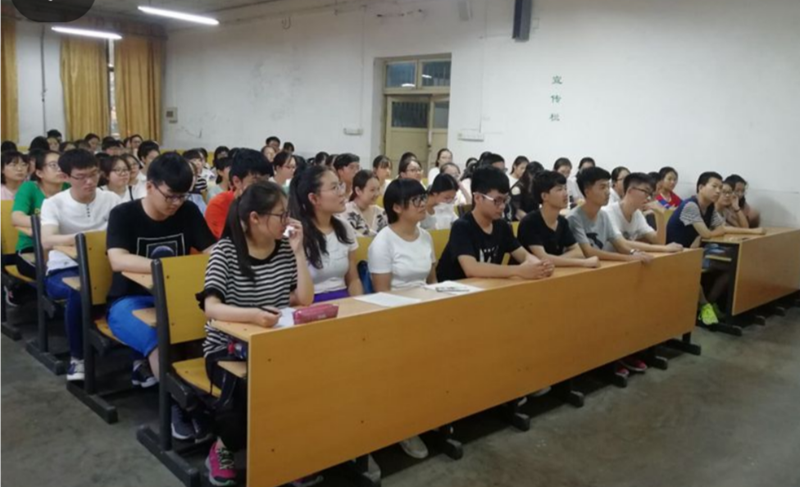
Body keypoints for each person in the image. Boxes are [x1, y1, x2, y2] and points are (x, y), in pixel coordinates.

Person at [200, 180, 313, 486]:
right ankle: (222, 447)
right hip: (226, 347)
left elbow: (304, 299)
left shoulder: (284, 250)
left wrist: (299, 253)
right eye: (281, 215)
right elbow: (211, 307)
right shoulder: (226, 251)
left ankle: (287, 447)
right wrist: (253, 315)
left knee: (309, 374)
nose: (287, 221)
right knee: (252, 382)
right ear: (254, 218)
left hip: (273, 343)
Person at [106, 153, 216, 417]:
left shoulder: (188, 211)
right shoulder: (124, 214)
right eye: (170, 196)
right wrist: (165, 268)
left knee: (211, 331)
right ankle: (179, 408)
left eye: (182, 196)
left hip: (176, 298)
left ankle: (211, 402)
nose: (176, 203)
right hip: (128, 301)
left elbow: (211, 251)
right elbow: (117, 260)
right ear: (150, 186)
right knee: (160, 340)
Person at [367, 177, 437, 460]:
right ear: (397, 207)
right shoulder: (383, 242)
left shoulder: (426, 236)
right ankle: (403, 428)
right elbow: (382, 293)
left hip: (426, 311)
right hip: (396, 316)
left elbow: (433, 281)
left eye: (423, 198)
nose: (423, 204)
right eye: (416, 200)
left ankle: (430, 415)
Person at [40, 150, 121, 381]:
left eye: (94, 174)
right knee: (81, 289)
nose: (90, 181)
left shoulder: (111, 199)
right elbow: (47, 240)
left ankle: (138, 360)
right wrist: (85, 239)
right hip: (63, 269)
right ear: (66, 177)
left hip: (104, 266)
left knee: (130, 287)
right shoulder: (54, 204)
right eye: (81, 177)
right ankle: (78, 358)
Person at [666, 172, 764, 326]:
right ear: (701, 187)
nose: (718, 191)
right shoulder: (690, 206)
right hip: (675, 255)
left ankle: (708, 304)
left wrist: (751, 232)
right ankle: (705, 306)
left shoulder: (710, 207)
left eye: (720, 187)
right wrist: (707, 234)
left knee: (733, 267)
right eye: (714, 187)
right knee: (726, 265)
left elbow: (721, 229)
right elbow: (707, 233)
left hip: (693, 252)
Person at [436, 166, 554, 282]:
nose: (502, 206)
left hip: (486, 287)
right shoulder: (462, 227)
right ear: (478, 198)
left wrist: (540, 266)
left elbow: (524, 256)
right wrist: (518, 270)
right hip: (454, 289)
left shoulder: (501, 226)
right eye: (497, 200)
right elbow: (471, 269)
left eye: (505, 200)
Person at [289, 165, 363, 302]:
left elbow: (353, 280)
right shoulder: (296, 234)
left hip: (343, 301)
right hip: (309, 304)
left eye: (340, 185)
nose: (342, 192)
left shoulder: (344, 227)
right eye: (334, 188)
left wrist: (359, 305)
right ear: (314, 198)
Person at [518, 170, 599, 268]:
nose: (566, 193)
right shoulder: (530, 222)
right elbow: (542, 258)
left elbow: (578, 252)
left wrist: (555, 261)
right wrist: (582, 263)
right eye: (559, 189)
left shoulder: (562, 222)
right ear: (544, 196)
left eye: (565, 188)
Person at [11, 150, 70, 280]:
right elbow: (17, 217)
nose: (60, 169)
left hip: (64, 248)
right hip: (31, 248)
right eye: (53, 165)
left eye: (62, 164)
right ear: (39, 173)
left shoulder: (70, 188)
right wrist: (49, 223)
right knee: (52, 274)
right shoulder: (29, 188)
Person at [602, 172, 684, 253]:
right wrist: (664, 248)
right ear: (630, 190)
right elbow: (623, 243)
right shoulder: (608, 212)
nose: (648, 198)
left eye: (650, 194)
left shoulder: (637, 214)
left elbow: (659, 241)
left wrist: (660, 215)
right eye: (645, 192)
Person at [206, 149, 272, 239]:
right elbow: (228, 239)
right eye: (256, 180)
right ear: (237, 181)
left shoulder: (271, 203)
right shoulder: (218, 204)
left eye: (266, 180)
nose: (263, 186)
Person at [343, 170, 387, 237]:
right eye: (372, 190)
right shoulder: (345, 212)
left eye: (378, 189)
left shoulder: (381, 213)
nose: (377, 194)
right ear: (358, 190)